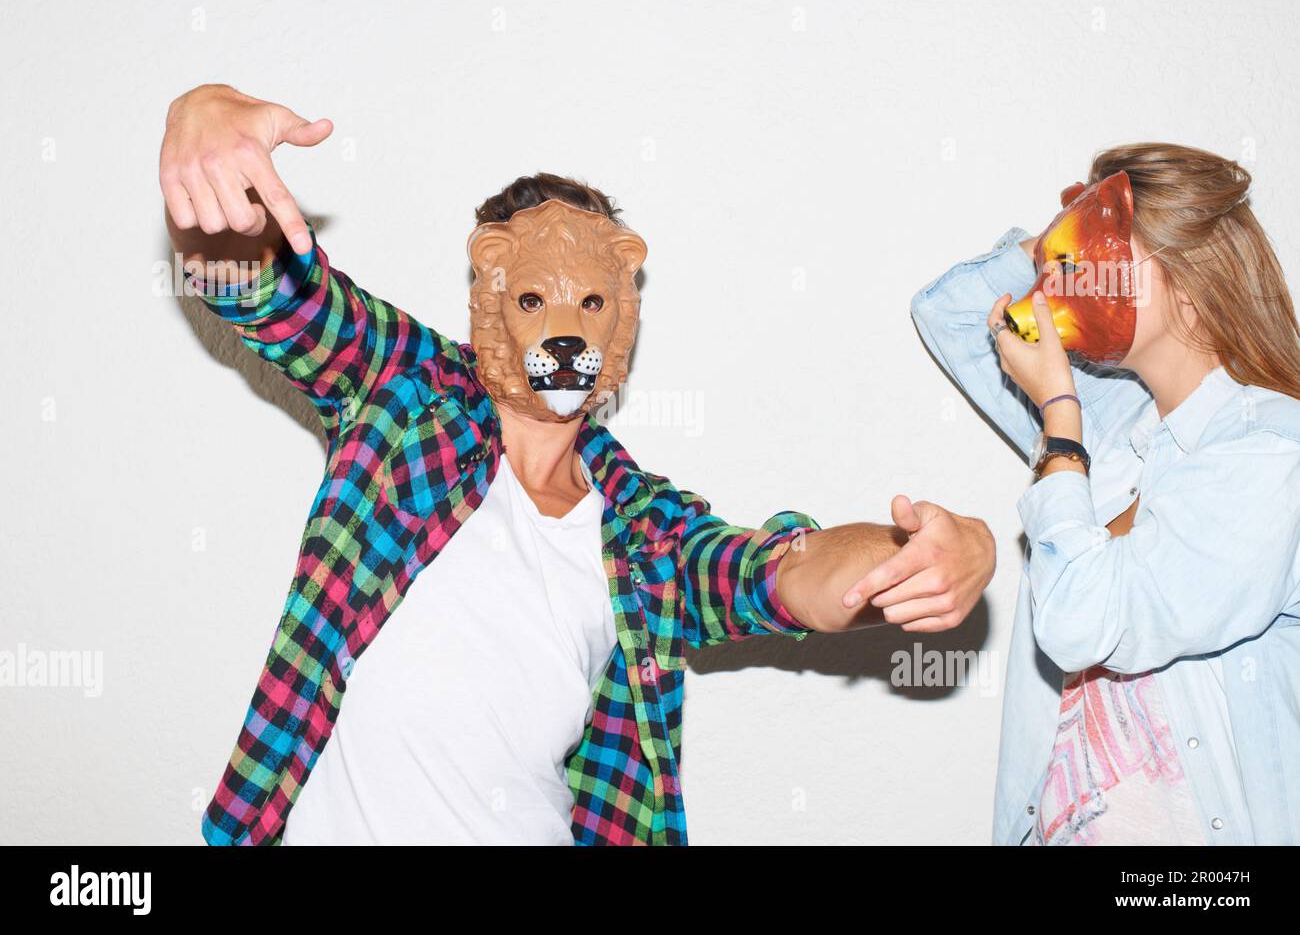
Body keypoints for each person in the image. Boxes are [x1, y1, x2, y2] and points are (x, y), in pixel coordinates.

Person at [160, 83, 998, 845]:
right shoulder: (401, 393)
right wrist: (202, 134)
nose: (564, 326)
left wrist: (928, 553)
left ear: (622, 316)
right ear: (487, 292)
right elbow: (268, 294)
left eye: (590, 301)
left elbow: (784, 575)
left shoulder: (645, 529)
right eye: (532, 299)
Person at [911, 142, 1300, 845]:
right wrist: (1074, 227)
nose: (1070, 280)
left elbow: (1084, 625)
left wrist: (1061, 419)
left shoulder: (1271, 452)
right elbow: (953, 312)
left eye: (1097, 256)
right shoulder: (1129, 428)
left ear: (1189, 276)